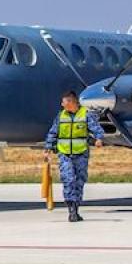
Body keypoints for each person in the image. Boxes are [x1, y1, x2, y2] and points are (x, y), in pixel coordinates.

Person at [43, 91, 105, 222]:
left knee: (79, 181)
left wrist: (99, 139)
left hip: (81, 153)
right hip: (65, 153)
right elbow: (53, 132)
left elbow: (97, 129)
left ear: (71, 102)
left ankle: (76, 208)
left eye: (64, 102)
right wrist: (48, 147)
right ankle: (71, 210)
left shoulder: (86, 115)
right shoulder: (61, 116)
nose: (62, 104)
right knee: (68, 180)